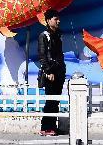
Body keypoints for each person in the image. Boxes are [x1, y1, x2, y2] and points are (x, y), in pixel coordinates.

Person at [38, 9, 66, 137]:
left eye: (59, 19)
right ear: (48, 21)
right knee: (50, 100)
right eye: (56, 19)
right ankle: (45, 127)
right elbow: (42, 56)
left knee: (56, 101)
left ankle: (53, 126)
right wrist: (48, 71)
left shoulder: (58, 35)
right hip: (50, 73)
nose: (58, 21)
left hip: (59, 71)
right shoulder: (44, 35)